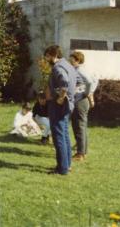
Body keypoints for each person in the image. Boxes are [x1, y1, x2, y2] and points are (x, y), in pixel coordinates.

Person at [44, 45, 77, 175]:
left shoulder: (58, 67)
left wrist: (60, 98)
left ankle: (62, 169)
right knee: (64, 133)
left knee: (58, 135)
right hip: (68, 104)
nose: (46, 59)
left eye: (47, 56)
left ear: (53, 55)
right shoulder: (69, 65)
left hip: (59, 104)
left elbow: (64, 82)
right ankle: (67, 165)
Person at [69, 51, 99, 161]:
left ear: (77, 60)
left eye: (71, 58)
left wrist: (87, 93)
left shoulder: (80, 70)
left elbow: (90, 81)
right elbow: (95, 79)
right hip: (79, 100)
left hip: (80, 101)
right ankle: (82, 151)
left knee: (79, 126)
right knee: (79, 126)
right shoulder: (78, 69)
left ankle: (80, 154)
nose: (69, 60)